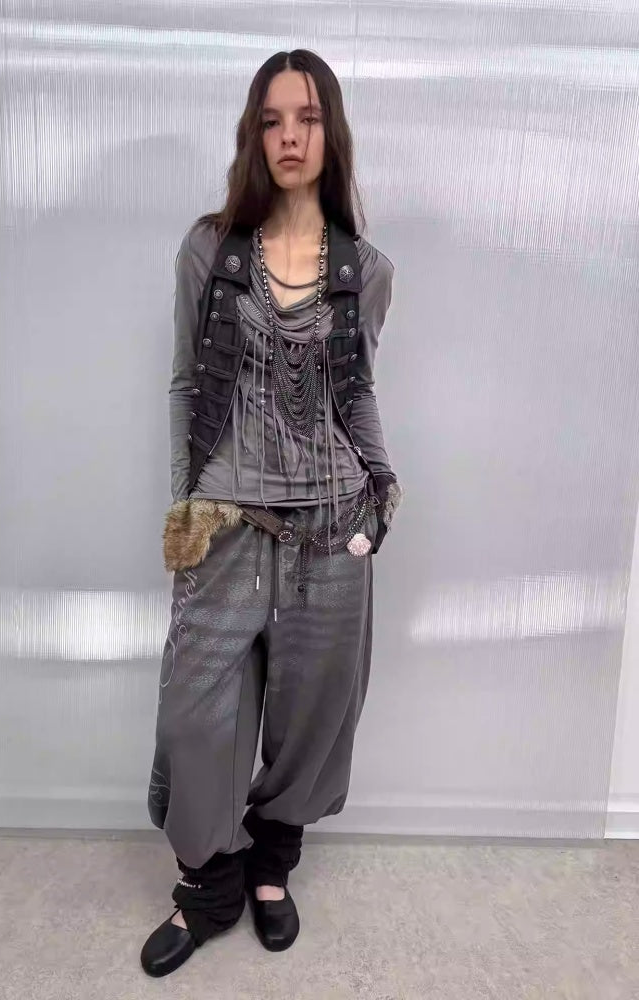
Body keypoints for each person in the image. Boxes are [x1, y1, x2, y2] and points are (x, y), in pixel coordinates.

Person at [141, 48, 403, 978]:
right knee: (196, 716)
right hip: (226, 525)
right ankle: (209, 884)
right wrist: (189, 501)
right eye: (271, 120)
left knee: (313, 716)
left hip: (334, 527)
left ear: (333, 133)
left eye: (308, 118)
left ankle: (270, 866)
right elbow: (186, 385)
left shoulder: (367, 270)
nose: (290, 137)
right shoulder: (209, 251)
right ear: (254, 136)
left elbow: (356, 393)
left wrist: (383, 486)